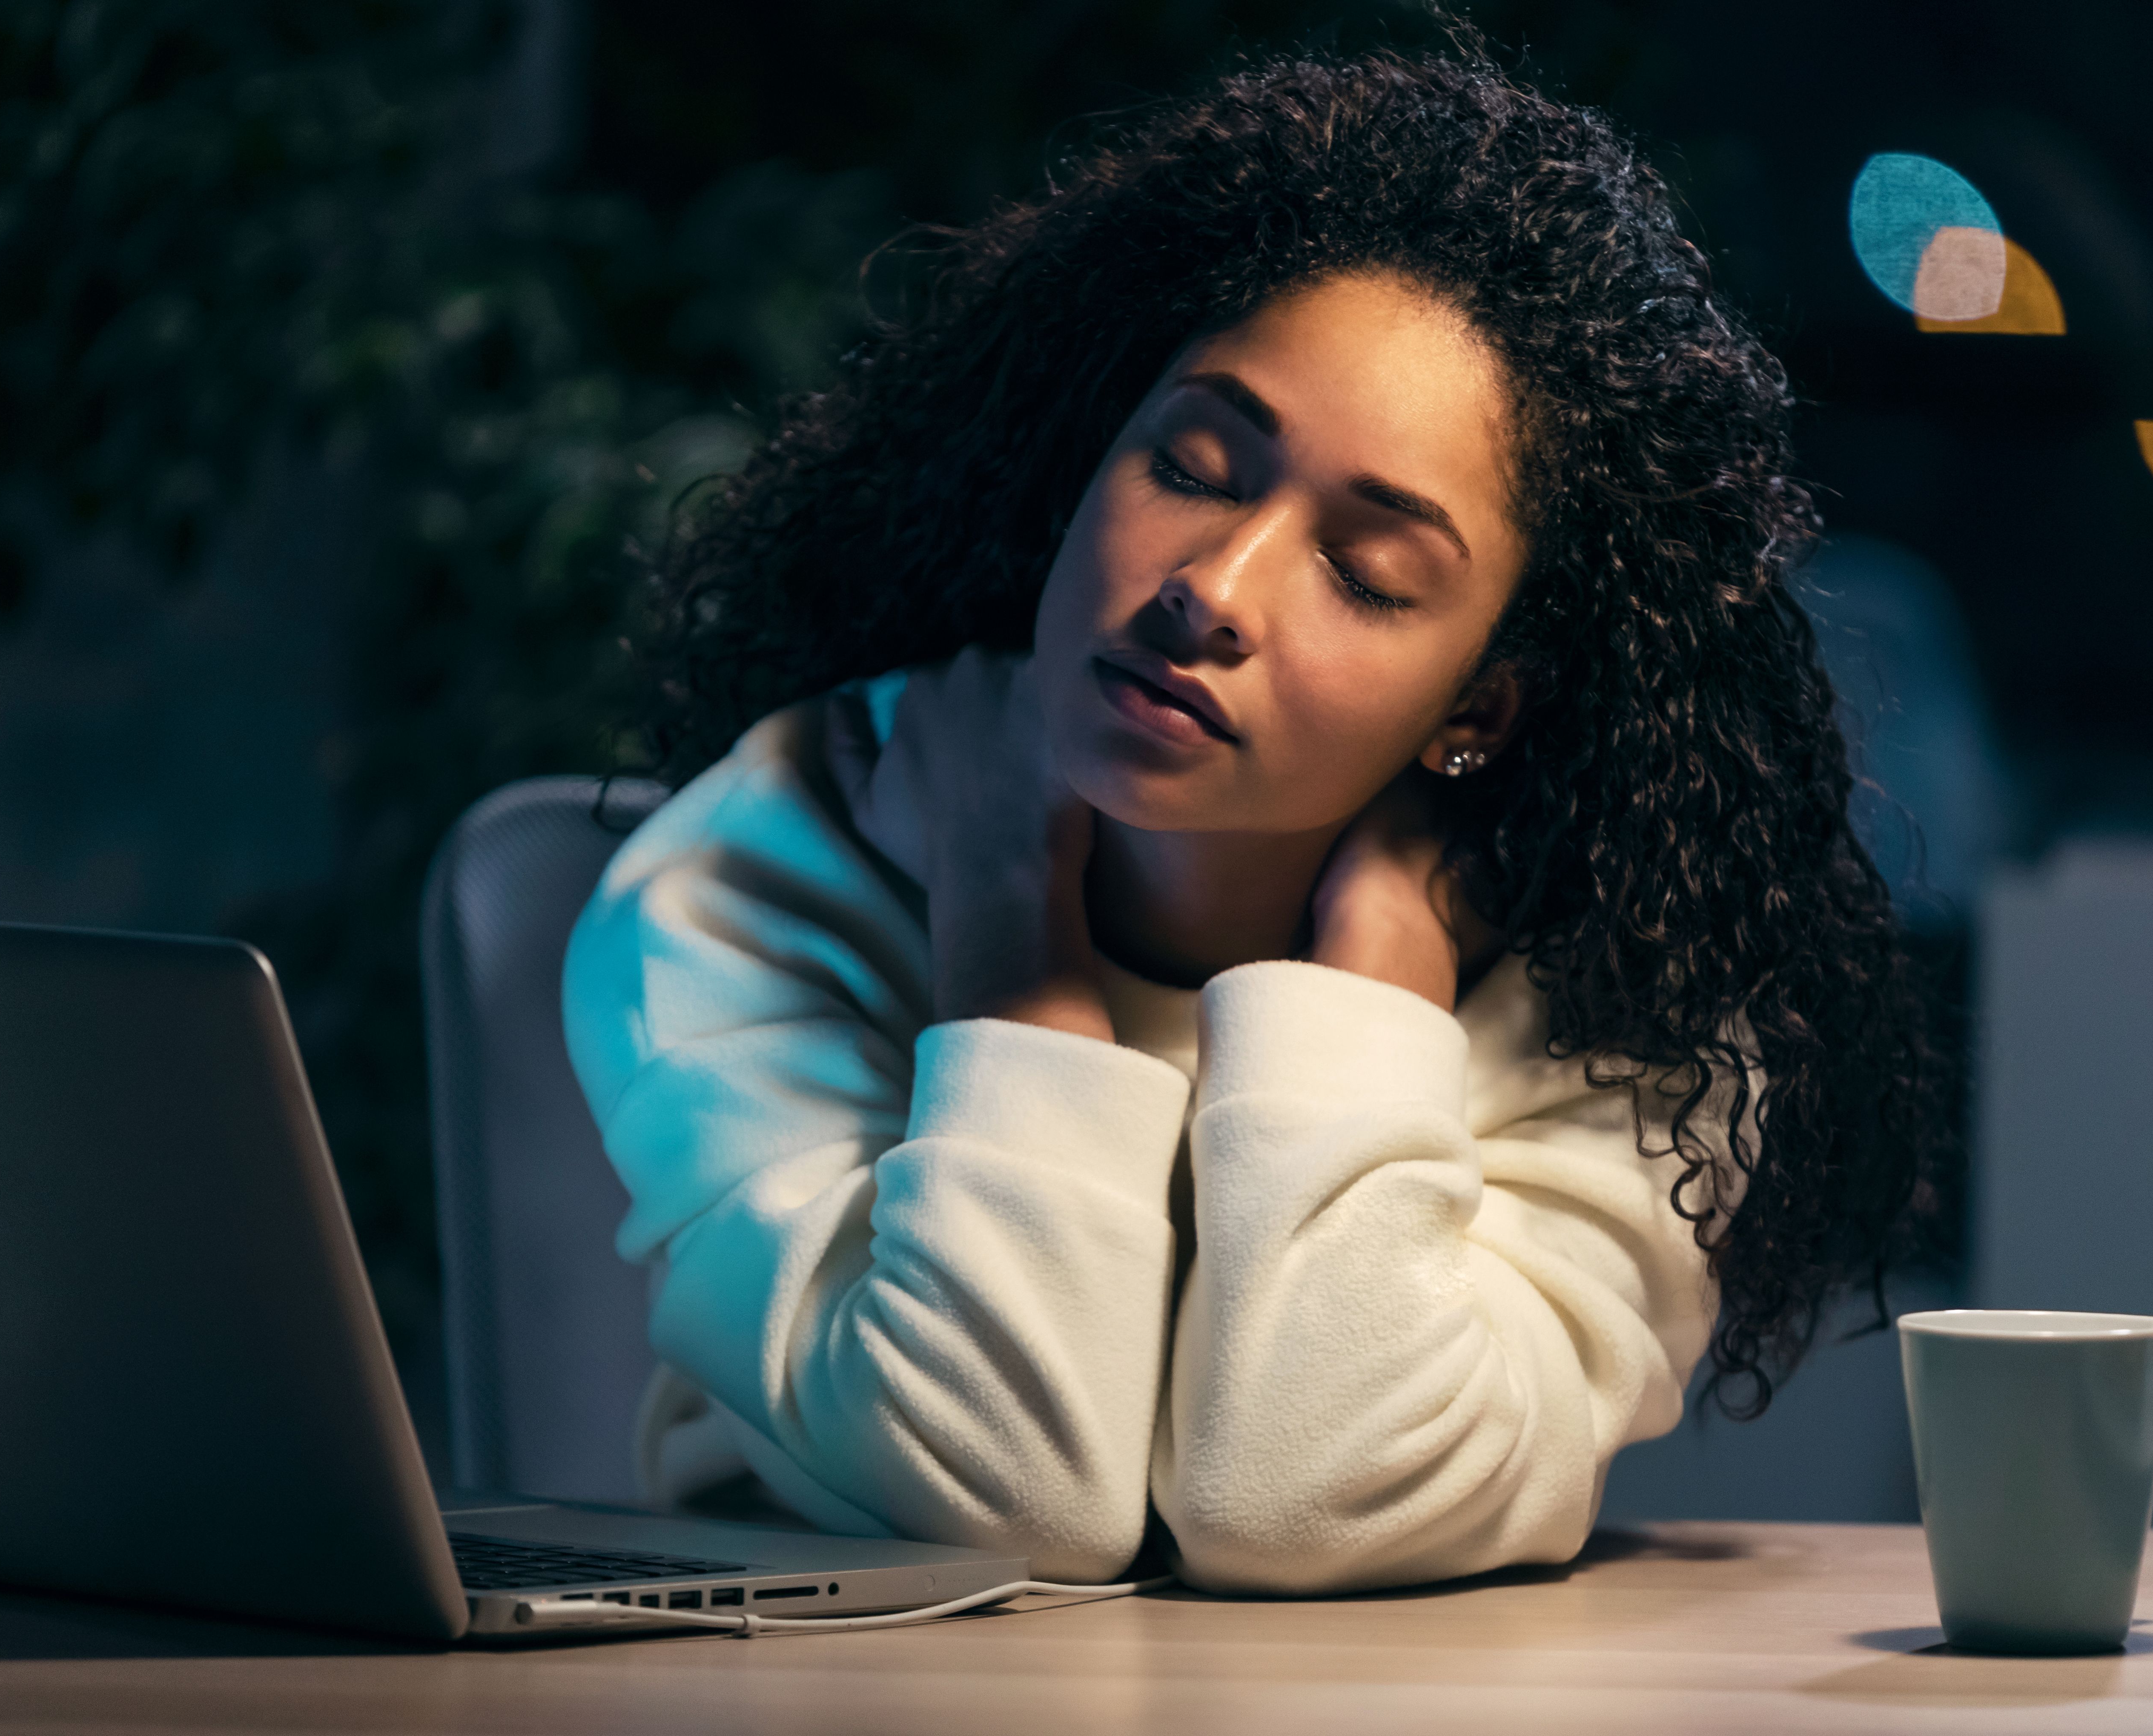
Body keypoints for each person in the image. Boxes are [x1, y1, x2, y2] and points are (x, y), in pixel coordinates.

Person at [562, 43, 1948, 1596]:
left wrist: (1370, 996)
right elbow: (1008, 1502)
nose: (1206, 593)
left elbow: (1305, 1498)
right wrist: (1007, 929)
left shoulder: (1630, 1009)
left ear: (1477, 709)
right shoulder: (754, 883)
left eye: (1364, 574)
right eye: (1193, 466)